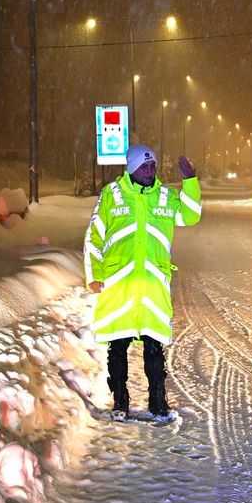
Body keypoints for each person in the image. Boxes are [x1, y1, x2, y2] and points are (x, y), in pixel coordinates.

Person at [83, 144, 201, 419]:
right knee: (118, 343)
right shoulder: (112, 195)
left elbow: (190, 215)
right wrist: (94, 274)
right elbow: (94, 235)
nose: (149, 171)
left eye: (153, 166)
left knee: (153, 344)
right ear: (131, 168)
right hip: (119, 283)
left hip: (152, 284)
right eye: (144, 166)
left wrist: (191, 182)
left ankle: (158, 403)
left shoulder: (165, 196)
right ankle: (120, 403)